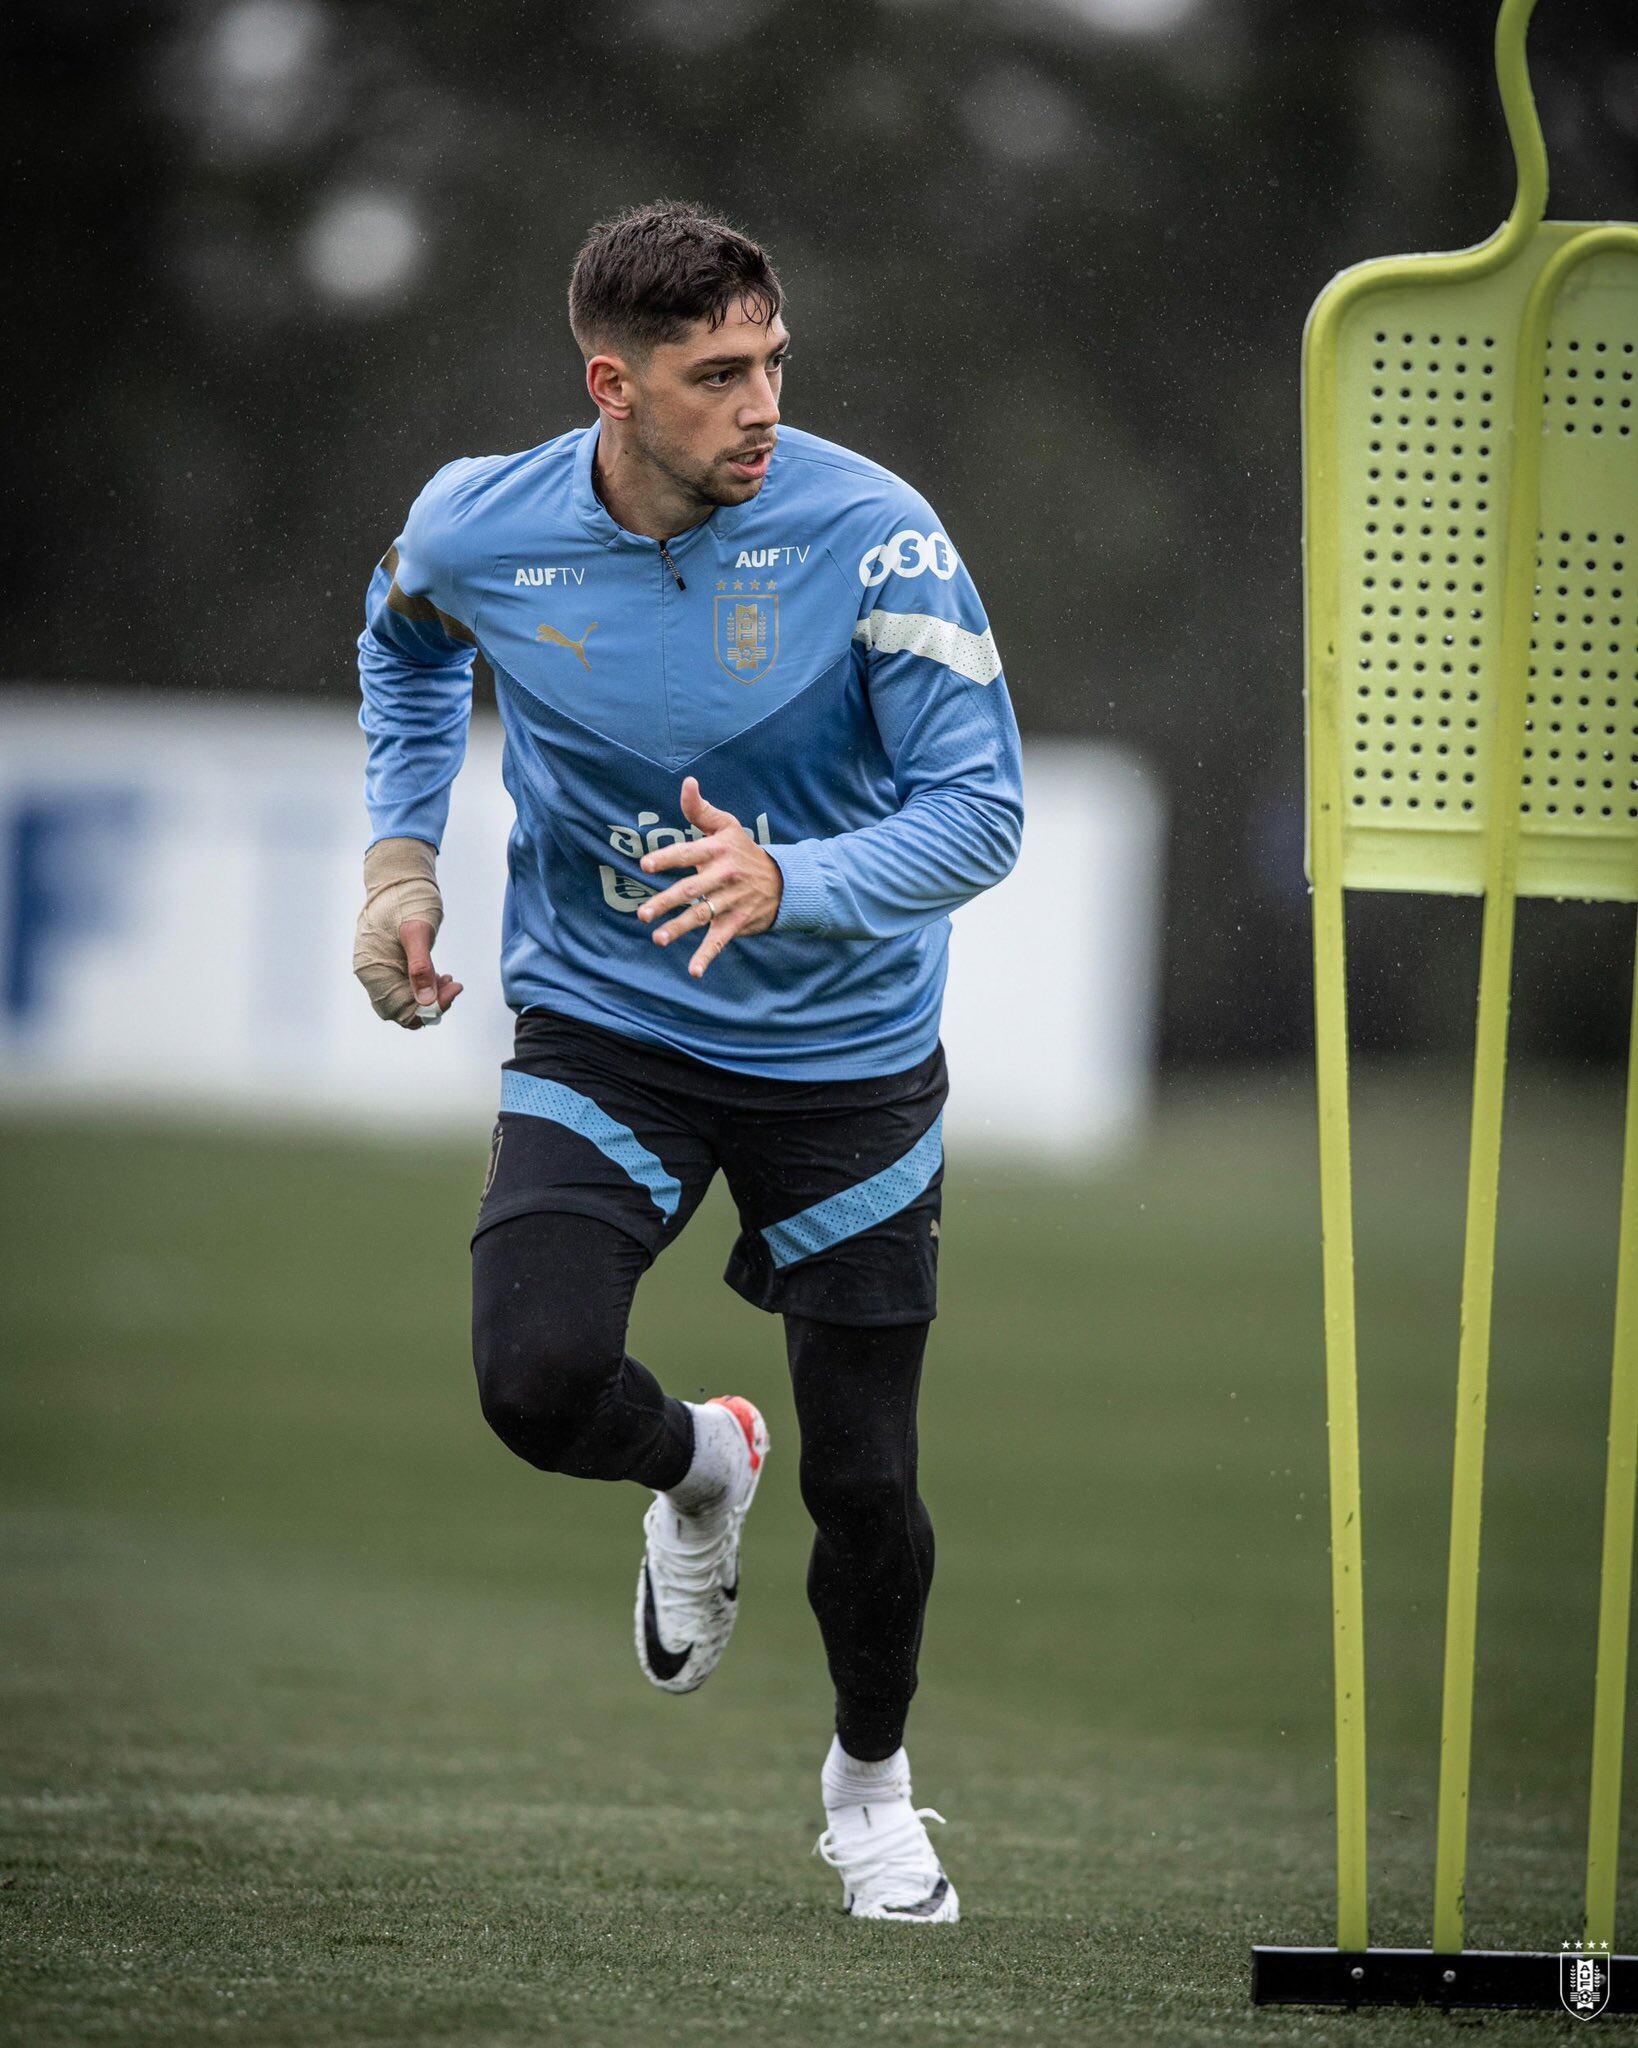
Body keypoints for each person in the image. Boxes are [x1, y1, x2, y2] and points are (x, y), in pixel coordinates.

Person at [352, 201, 1023, 1923]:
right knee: (534, 1383)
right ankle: (699, 1465)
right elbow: (406, 643)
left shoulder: (875, 534)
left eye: (772, 363)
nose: (760, 405)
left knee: (870, 1482)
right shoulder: (474, 524)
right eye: (716, 375)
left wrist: (791, 878)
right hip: (608, 1019)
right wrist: (401, 864)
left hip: (847, 1054)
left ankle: (871, 1793)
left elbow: (980, 811)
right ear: (613, 385)